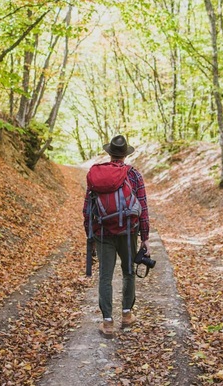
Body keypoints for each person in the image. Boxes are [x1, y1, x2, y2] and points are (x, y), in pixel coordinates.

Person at [83, 134, 150, 337]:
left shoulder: (97, 175)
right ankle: (127, 315)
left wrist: (90, 236)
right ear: (125, 155)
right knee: (128, 272)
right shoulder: (134, 175)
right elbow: (143, 207)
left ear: (110, 153)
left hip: (103, 232)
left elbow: (87, 209)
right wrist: (145, 237)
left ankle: (108, 322)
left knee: (106, 275)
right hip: (129, 232)